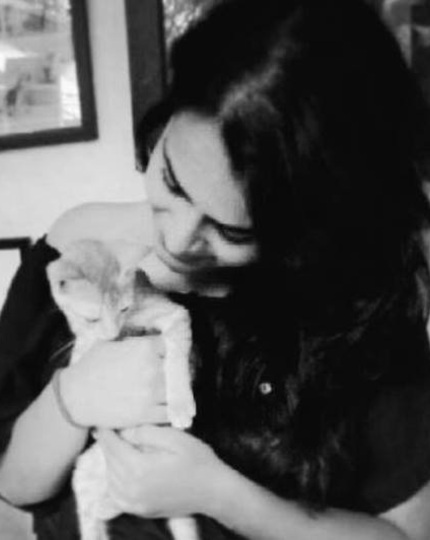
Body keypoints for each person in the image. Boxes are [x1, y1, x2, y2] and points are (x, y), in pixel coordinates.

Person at [1, 0, 430, 538]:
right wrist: (72, 399)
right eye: (172, 181)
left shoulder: (356, 314)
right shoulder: (77, 249)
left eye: (233, 232)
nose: (177, 241)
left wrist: (220, 494)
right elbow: (13, 486)